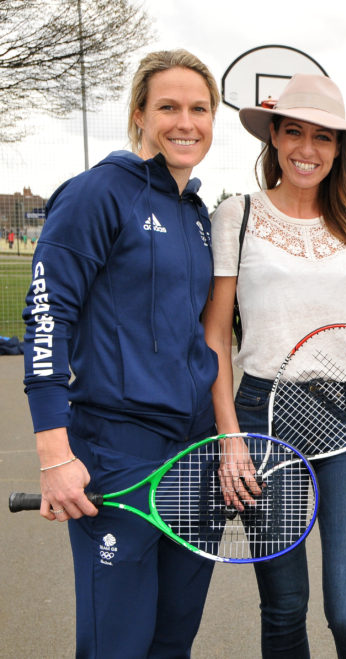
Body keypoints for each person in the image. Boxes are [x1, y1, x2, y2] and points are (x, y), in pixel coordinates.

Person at [22, 49, 221, 657]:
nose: (185, 122)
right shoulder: (97, 193)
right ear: (139, 115)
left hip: (195, 456)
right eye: (168, 107)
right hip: (118, 455)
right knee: (118, 646)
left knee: (172, 642)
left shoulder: (198, 214)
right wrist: (55, 455)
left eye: (199, 109)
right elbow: (47, 317)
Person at [203, 74, 346, 657]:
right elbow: (215, 336)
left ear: (339, 149)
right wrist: (230, 437)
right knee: (285, 607)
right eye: (294, 132)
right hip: (263, 414)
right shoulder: (237, 215)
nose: (307, 149)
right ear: (273, 136)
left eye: (323, 137)